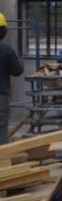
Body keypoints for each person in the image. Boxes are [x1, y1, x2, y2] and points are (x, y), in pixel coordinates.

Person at [0, 13, 24, 145]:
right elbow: (17, 70)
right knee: (1, 128)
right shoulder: (6, 49)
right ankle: (1, 160)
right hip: (1, 94)